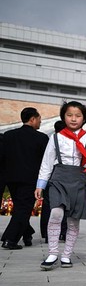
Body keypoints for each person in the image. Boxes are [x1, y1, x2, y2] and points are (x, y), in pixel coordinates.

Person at [35, 101, 86, 270]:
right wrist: (40, 185)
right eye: (69, 115)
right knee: (56, 214)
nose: (73, 119)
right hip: (58, 179)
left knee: (73, 220)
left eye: (78, 116)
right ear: (63, 117)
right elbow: (47, 162)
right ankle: (52, 253)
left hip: (79, 180)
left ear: (84, 118)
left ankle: (66, 255)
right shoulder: (56, 137)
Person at [1, 107, 49, 250]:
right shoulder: (41, 138)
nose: (40, 122)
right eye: (39, 119)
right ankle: (10, 239)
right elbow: (45, 161)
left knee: (20, 208)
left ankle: (27, 233)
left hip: (10, 179)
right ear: (33, 119)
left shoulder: (8, 135)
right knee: (23, 209)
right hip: (29, 180)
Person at [40, 121, 68, 243]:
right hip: (63, 177)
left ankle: (47, 233)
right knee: (66, 205)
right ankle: (63, 232)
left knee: (48, 206)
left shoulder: (51, 140)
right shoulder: (64, 141)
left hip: (50, 177)